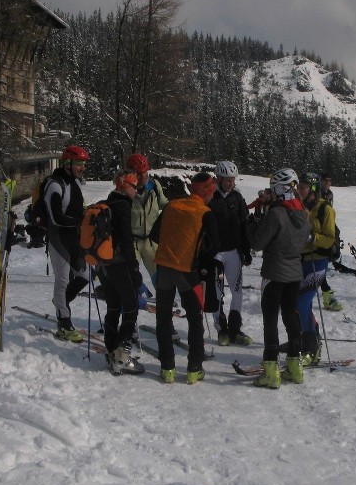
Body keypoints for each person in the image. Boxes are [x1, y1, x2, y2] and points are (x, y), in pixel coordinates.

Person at [148, 172, 220, 384]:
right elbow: (215, 246)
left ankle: (167, 368)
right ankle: (194, 368)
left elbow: (154, 235)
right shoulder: (205, 213)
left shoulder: (172, 205)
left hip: (163, 267)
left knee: (163, 319)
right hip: (187, 270)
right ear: (206, 192)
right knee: (195, 319)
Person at [247, 168, 311, 389]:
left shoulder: (276, 213)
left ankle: (271, 371)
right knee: (291, 318)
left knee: (270, 320)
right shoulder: (303, 212)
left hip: (274, 273)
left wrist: (254, 223)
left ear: (279, 189)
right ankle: (295, 367)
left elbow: (257, 243)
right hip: (294, 273)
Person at [43, 145, 91, 342]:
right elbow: (55, 218)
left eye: (83, 164)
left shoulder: (76, 184)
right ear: (67, 164)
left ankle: (60, 302)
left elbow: (79, 208)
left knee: (85, 276)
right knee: (62, 280)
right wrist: (80, 221)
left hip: (75, 239)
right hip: (58, 238)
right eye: (78, 163)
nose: (82, 168)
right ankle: (64, 322)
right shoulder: (54, 185)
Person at [100, 169, 145, 375]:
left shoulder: (108, 202)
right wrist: (134, 266)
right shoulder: (123, 206)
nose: (136, 189)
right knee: (131, 307)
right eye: (134, 186)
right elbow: (126, 239)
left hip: (104, 264)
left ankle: (111, 352)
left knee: (113, 307)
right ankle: (121, 355)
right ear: (123, 185)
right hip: (120, 263)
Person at [209, 160, 253, 346]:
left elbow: (244, 226)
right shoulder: (210, 198)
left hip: (234, 252)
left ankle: (235, 329)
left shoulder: (237, 198)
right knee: (217, 294)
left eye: (233, 180)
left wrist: (246, 250)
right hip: (216, 254)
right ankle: (222, 329)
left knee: (237, 292)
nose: (231, 183)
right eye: (228, 180)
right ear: (218, 178)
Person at [297, 171, 336, 365]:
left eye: (303, 187)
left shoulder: (324, 209)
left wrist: (312, 238)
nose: (299, 190)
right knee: (302, 304)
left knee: (302, 303)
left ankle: (311, 347)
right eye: (298, 187)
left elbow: (329, 239)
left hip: (318, 260)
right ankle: (310, 340)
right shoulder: (298, 206)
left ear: (312, 189)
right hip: (300, 260)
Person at [126, 153, 167, 290]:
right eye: (138, 174)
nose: (143, 177)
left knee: (160, 275)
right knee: (132, 274)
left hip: (151, 240)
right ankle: (131, 296)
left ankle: (163, 297)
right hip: (132, 241)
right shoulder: (124, 191)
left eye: (145, 172)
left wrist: (176, 208)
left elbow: (163, 204)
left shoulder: (154, 186)